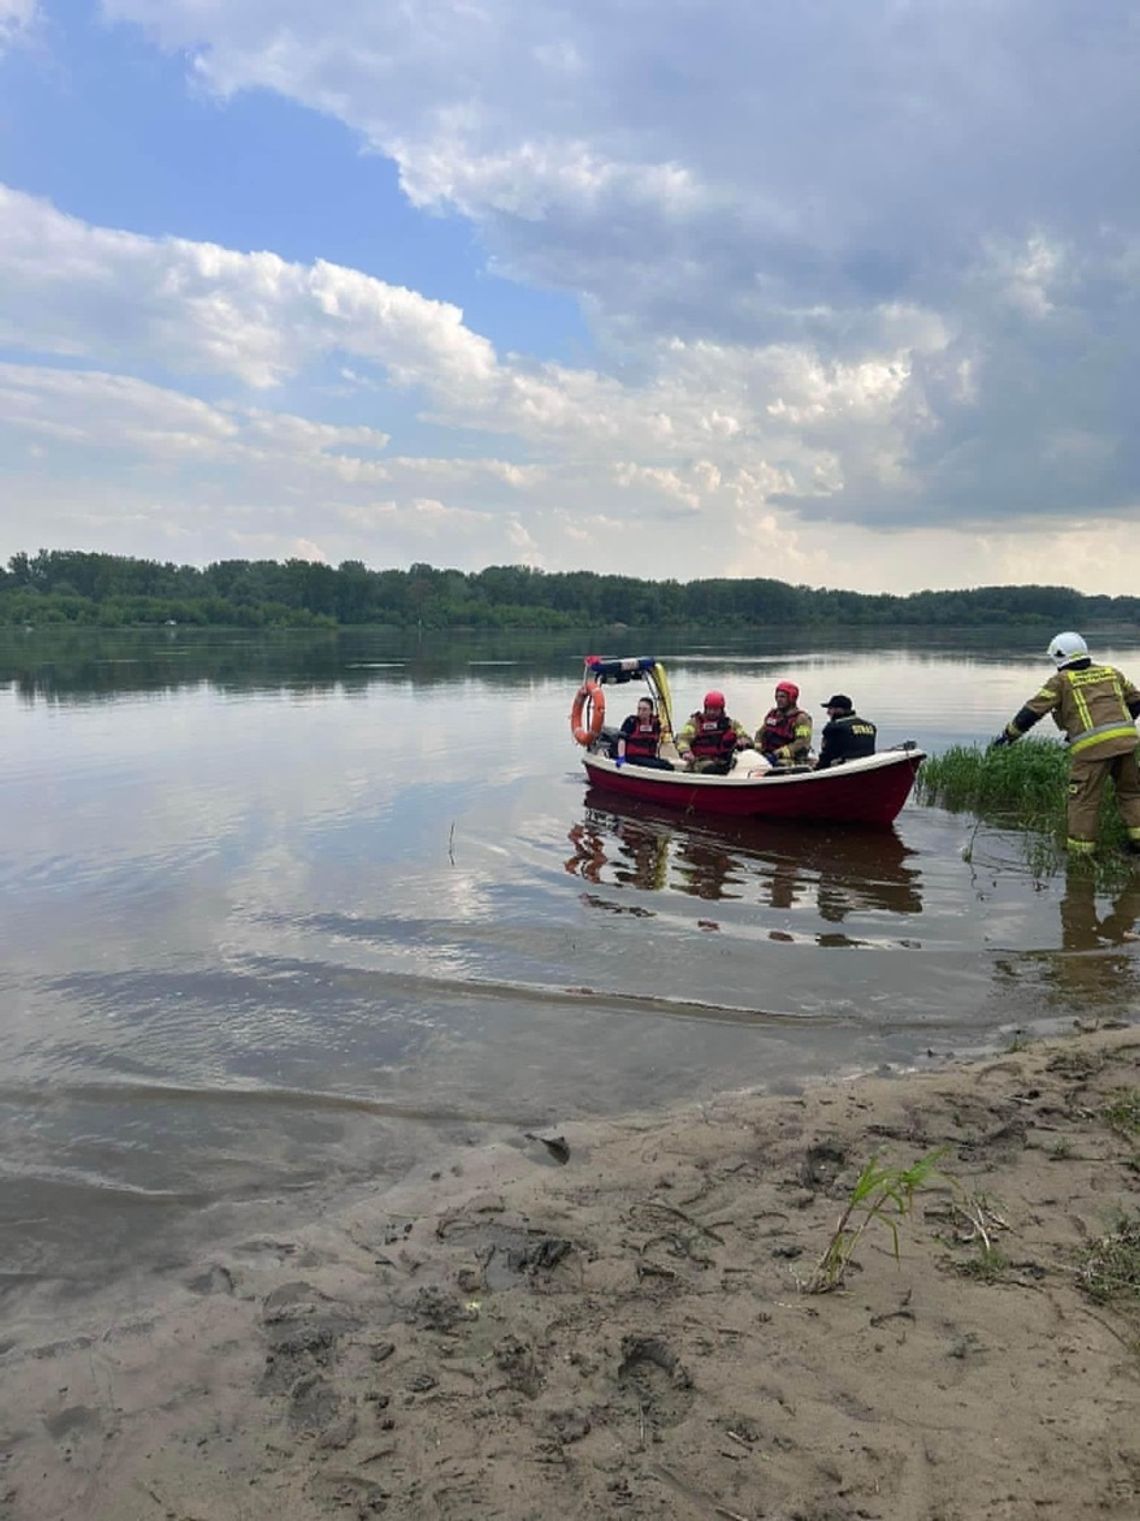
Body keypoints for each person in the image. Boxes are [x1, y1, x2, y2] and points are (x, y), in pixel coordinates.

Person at [990, 631, 1140, 855]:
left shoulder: (1061, 681)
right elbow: (1136, 701)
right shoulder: (1112, 673)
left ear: (1060, 657)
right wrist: (1118, 727)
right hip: (1126, 743)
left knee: (1083, 799)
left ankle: (1080, 854)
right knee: (1131, 792)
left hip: (1092, 750)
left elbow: (1032, 711)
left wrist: (1008, 736)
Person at [676, 690, 749, 774]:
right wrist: (685, 751)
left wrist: (743, 741)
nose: (712, 712)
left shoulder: (730, 724)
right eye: (709, 709)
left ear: (721, 709)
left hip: (724, 761)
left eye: (715, 709)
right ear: (705, 708)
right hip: (700, 761)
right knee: (712, 769)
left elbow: (745, 737)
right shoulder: (695, 723)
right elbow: (683, 739)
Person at [755, 680, 813, 767]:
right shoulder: (772, 715)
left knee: (781, 764)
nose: (779, 700)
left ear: (791, 698)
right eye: (777, 696)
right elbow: (760, 733)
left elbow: (802, 742)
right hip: (768, 755)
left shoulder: (801, 719)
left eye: (782, 697)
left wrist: (780, 753)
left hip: (791, 758)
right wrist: (757, 745)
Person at [816, 694, 877, 770]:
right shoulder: (870, 726)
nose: (828, 712)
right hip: (868, 767)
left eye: (830, 709)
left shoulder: (833, 727)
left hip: (842, 770)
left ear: (840, 710)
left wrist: (816, 769)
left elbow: (826, 755)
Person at [615, 695, 673, 770]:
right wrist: (621, 757)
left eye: (644, 709)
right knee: (661, 766)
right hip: (633, 757)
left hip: (649, 756)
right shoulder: (631, 721)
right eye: (639, 709)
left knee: (668, 765)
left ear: (651, 711)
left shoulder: (656, 723)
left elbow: (658, 738)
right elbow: (622, 740)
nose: (641, 712)